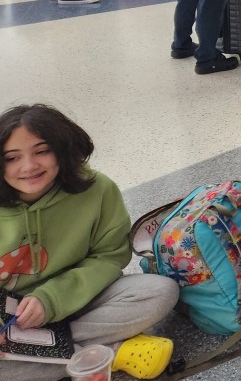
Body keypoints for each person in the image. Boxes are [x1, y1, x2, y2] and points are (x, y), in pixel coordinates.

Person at [0, 103, 179, 381]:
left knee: (159, 291)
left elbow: (110, 256)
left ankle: (50, 355)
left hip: (80, 299)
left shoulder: (97, 188)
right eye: (12, 157)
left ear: (63, 148)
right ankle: (112, 352)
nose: (29, 166)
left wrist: (52, 299)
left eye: (42, 151)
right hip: (9, 321)